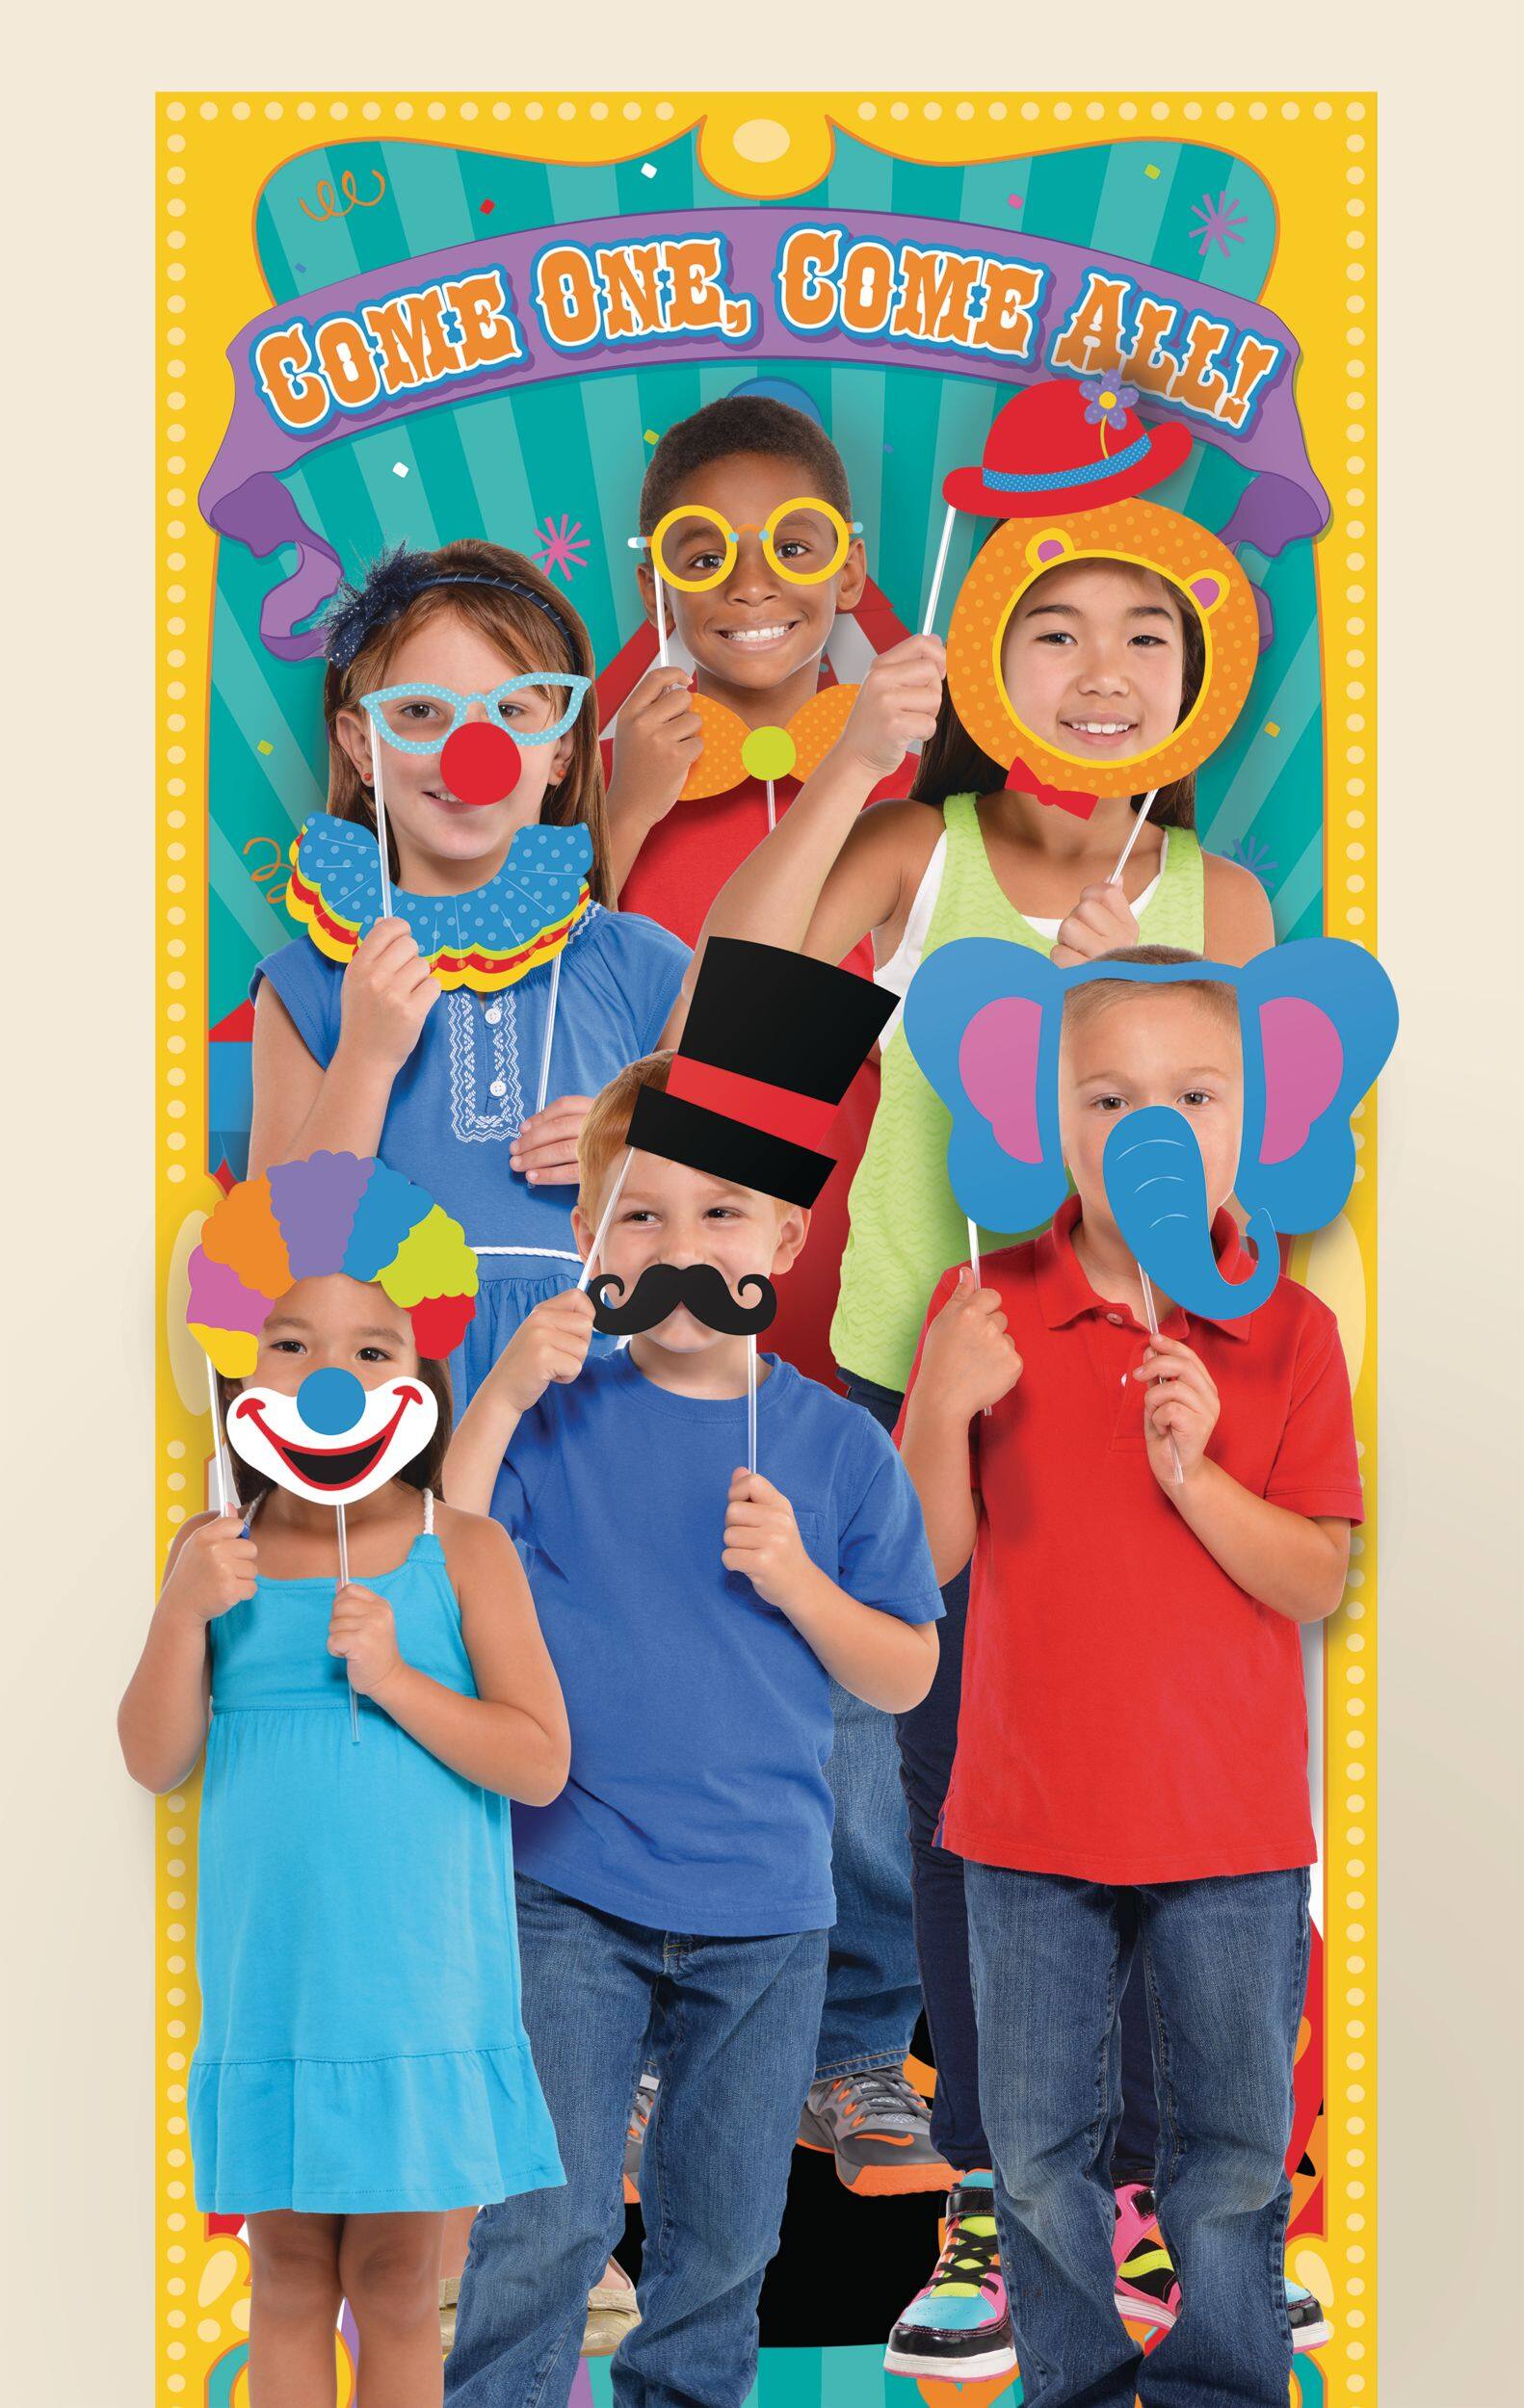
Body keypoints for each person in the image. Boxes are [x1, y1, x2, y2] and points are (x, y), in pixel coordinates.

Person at [697, 380, 1277, 2373]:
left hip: (1134, 1414)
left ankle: (1156, 2189)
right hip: (909, 1391)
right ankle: (993, 2186)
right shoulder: (919, 850)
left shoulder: (1217, 903)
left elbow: (1243, 1191)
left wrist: (1097, 1013)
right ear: (984, 657)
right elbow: (737, 1000)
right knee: (953, 1802)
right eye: (1053, 629)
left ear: (1194, 675)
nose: (1100, 671)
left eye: (1143, 633)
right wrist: (849, 769)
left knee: (1144, 1791)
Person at [441, 1037, 944, 2407]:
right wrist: (501, 1393)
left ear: (784, 1238)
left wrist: (797, 1582)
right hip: (569, 1890)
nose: (680, 1246)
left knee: (721, 2245)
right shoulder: (553, 1422)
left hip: (766, 1907)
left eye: (719, 1211)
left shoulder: (840, 1450)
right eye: (640, 1215)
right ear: (587, 1240)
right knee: (543, 2223)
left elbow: (905, 1673)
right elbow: (450, 1552)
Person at [896, 952, 1361, 2405]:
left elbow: (1315, 1577)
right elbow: (923, 1562)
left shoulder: (1288, 1332)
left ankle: (1224, 2383)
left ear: (1250, 1120)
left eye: (1193, 1096)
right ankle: (1076, 2386)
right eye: (1106, 1099)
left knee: (1230, 2153)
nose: (1150, 1127)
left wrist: (1196, 1473)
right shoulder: (979, 1303)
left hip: (1227, 1828)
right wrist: (937, 1405)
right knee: (1036, 2153)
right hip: (1023, 1823)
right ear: (1045, 1118)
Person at [603, 392, 946, 2195]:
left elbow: (802, 1012)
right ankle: (636, 2051)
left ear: (851, 565)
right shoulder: (606, 760)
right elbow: (604, 1008)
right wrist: (617, 808)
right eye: (705, 550)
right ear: (653, 577)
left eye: (795, 544)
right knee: (645, 1674)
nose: (753, 583)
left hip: (844, 1299)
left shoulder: (908, 776)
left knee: (853, 1709)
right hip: (650, 1303)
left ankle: (855, 2049)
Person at [118, 1157, 568, 2408]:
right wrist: (179, 1613)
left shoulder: (460, 1549)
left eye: (374, 1350)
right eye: (292, 1343)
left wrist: (398, 1678)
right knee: (285, 2274)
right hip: (277, 1987)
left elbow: (538, 1759)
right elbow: (154, 1755)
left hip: (413, 1985)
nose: (334, 1375)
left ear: (420, 1378)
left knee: (395, 2278)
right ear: (241, 1371)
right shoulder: (215, 1552)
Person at [248, 538, 690, 1408]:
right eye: (420, 711)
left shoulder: (642, 965)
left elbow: (748, 1199)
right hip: (399, 1391)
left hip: (602, 1387)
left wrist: (636, 1147)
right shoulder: (307, 984)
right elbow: (272, 1262)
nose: (468, 749)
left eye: (513, 711)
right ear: (362, 747)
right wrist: (366, 1057)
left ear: (561, 752)